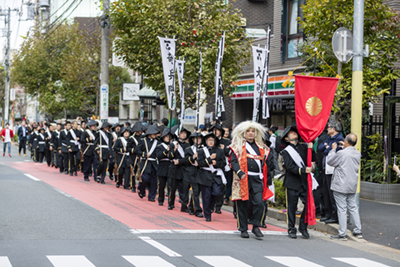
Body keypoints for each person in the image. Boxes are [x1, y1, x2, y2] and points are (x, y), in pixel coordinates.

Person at [230, 121, 273, 239]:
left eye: (252, 131)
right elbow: (233, 161)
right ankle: (243, 228)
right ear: (244, 133)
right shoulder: (238, 146)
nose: (250, 133)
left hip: (257, 178)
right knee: (242, 204)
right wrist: (239, 172)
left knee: (259, 203)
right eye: (248, 131)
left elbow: (266, 163)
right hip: (243, 178)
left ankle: (256, 225)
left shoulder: (261, 147)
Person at [281, 126, 316, 239]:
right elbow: (289, 166)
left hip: (304, 182)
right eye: (290, 133)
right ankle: (291, 228)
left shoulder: (303, 147)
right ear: (286, 138)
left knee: (308, 204)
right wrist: (302, 170)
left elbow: (313, 159)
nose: (293, 133)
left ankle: (303, 227)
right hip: (292, 182)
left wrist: (311, 148)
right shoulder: (286, 151)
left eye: (294, 132)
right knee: (291, 207)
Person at [327, 134, 363, 241]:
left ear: (346, 141)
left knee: (342, 209)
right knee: (353, 207)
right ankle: (358, 230)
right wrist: (345, 147)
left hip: (340, 185)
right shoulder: (357, 154)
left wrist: (333, 150)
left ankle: (342, 233)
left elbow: (330, 161)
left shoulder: (341, 153)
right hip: (352, 184)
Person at [317, 120, 344, 224]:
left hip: (333, 170)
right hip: (326, 169)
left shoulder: (339, 139)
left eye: (328, 127)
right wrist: (327, 147)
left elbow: (330, 152)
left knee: (332, 193)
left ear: (333, 129)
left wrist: (327, 148)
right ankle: (328, 214)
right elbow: (320, 148)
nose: (327, 129)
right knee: (326, 192)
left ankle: (334, 215)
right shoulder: (329, 138)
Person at [197, 132, 226, 222]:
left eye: (212, 140)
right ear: (206, 141)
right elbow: (200, 163)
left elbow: (224, 163)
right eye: (209, 140)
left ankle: (211, 206)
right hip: (205, 176)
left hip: (216, 175)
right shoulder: (201, 151)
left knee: (217, 193)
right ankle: (207, 214)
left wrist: (216, 163)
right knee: (206, 196)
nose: (210, 142)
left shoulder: (220, 151)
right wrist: (209, 159)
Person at [168, 125, 191, 211]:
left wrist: (180, 161)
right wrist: (174, 150)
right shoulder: (173, 144)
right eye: (181, 133)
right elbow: (170, 156)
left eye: (185, 133)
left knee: (185, 188)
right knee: (172, 188)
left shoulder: (188, 145)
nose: (183, 135)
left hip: (184, 169)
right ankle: (171, 203)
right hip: (174, 169)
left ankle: (184, 206)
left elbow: (188, 158)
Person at [136, 125, 159, 201]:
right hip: (146, 163)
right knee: (145, 179)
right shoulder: (143, 141)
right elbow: (137, 151)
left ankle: (152, 196)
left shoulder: (157, 142)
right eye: (154, 133)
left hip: (154, 163)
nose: (155, 135)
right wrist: (144, 155)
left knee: (153, 181)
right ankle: (141, 189)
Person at [185, 131, 204, 217]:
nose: (198, 140)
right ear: (193, 139)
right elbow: (186, 161)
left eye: (200, 138)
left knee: (198, 190)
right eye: (196, 138)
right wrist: (193, 157)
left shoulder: (204, 149)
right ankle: (198, 209)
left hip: (201, 171)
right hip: (192, 172)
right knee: (195, 190)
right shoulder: (188, 149)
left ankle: (191, 206)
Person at [156, 128, 173, 206]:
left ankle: (170, 201)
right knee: (161, 185)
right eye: (166, 136)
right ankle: (160, 199)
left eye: (168, 136)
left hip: (170, 167)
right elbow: (159, 156)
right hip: (162, 167)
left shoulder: (172, 145)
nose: (167, 138)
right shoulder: (159, 146)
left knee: (170, 185)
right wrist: (166, 151)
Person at [129, 122, 143, 193]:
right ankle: (133, 186)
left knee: (141, 172)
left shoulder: (143, 138)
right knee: (133, 172)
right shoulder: (131, 138)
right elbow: (128, 148)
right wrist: (133, 150)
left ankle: (140, 187)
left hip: (141, 156)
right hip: (133, 157)